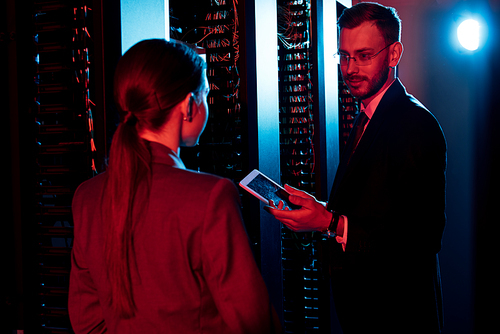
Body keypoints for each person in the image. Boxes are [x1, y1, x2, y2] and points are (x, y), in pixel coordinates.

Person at [69, 39, 281, 334]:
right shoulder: (209, 197)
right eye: (205, 95)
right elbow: (253, 323)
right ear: (187, 105)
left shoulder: (86, 197)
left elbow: (87, 322)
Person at [267, 3, 446, 333]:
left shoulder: (414, 124)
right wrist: (320, 211)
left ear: (394, 54)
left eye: (364, 56)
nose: (350, 68)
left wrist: (331, 222)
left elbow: (421, 239)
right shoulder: (369, 115)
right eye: (344, 56)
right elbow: (377, 209)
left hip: (399, 317)